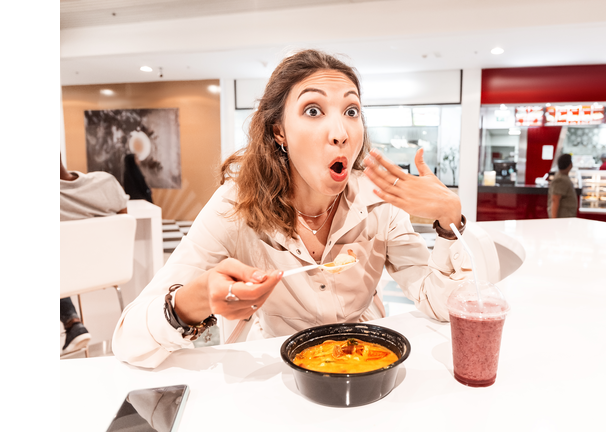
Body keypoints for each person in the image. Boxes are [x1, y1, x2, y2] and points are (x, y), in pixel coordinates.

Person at [112, 49, 471, 369]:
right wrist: (194, 300)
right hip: (270, 370)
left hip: (364, 361)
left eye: (351, 110)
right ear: (279, 132)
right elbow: (129, 342)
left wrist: (448, 220)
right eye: (313, 110)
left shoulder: (377, 200)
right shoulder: (236, 205)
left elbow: (441, 305)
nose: (340, 132)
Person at [60, 155, 130, 355]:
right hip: (112, 270)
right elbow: (122, 223)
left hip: (66, 278)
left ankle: (72, 322)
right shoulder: (106, 182)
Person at [547, 153, 578, 218]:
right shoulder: (560, 179)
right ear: (570, 165)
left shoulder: (563, 177)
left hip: (565, 217)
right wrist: (554, 220)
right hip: (562, 218)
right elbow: (555, 200)